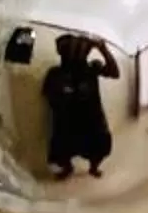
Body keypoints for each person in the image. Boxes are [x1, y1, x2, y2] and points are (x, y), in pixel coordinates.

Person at [41, 30, 120, 178]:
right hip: (67, 122)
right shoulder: (55, 73)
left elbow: (115, 73)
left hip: (92, 120)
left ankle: (93, 168)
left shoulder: (91, 68)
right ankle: (67, 168)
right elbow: (47, 95)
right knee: (62, 150)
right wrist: (63, 95)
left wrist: (103, 49)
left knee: (98, 147)